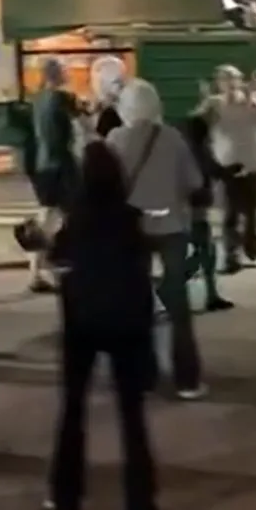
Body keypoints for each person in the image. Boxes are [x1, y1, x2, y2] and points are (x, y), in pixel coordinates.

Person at [46, 140, 158, 510]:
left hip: (83, 318)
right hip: (127, 319)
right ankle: (140, 507)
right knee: (132, 414)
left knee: (74, 407)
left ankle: (67, 494)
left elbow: (58, 257)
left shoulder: (76, 218)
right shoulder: (130, 218)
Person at [107, 79, 208, 400]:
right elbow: (193, 182)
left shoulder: (115, 139)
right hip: (170, 227)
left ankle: (141, 375)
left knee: (136, 304)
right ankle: (187, 378)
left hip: (131, 230)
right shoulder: (172, 138)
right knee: (178, 305)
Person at [198, 65, 256, 273]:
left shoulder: (253, 99)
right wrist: (204, 103)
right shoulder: (214, 103)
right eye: (224, 78)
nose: (229, 82)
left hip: (252, 162)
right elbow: (198, 122)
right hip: (228, 164)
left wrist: (251, 99)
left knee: (251, 213)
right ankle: (232, 255)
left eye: (233, 78)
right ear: (219, 83)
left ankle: (253, 252)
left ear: (240, 80)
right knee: (230, 212)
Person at [27, 59, 79, 293]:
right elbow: (75, 128)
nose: (65, 73)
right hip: (60, 164)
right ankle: (61, 267)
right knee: (68, 216)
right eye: (62, 70)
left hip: (42, 164)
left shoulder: (37, 99)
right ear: (55, 74)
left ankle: (36, 270)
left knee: (46, 217)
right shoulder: (60, 99)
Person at [182, 112, 234, 311]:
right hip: (196, 207)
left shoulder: (183, 150)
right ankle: (204, 291)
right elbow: (213, 170)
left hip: (183, 207)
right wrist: (230, 171)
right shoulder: (199, 151)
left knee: (202, 250)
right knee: (205, 251)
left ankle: (184, 280)